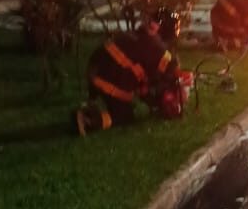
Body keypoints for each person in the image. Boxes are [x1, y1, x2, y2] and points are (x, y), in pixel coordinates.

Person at [75, 7, 186, 136]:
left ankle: (92, 105)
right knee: (124, 115)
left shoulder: (140, 35)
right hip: (108, 78)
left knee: (129, 92)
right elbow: (168, 74)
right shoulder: (158, 49)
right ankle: (89, 120)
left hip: (96, 68)